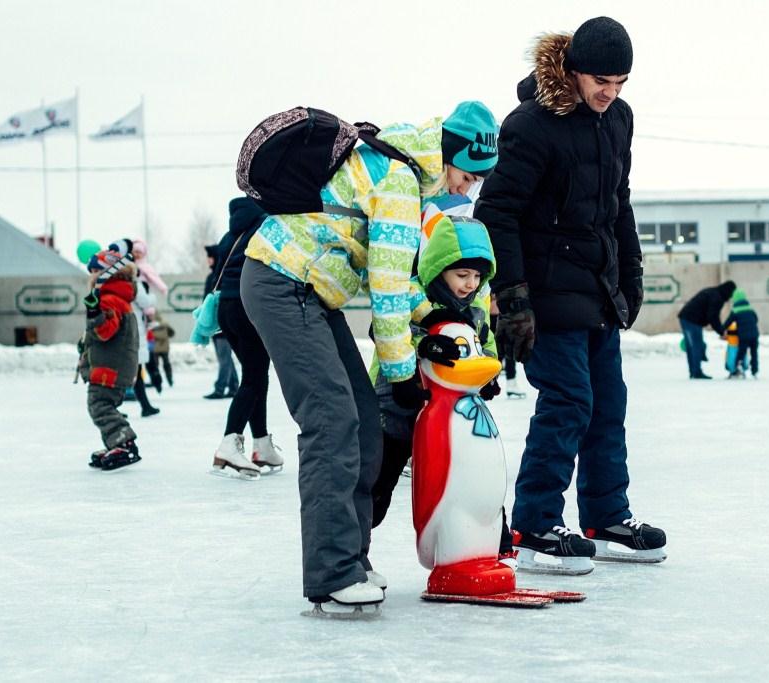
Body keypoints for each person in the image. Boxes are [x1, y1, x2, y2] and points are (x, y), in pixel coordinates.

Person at [241, 112, 487, 610]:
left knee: (365, 426)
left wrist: (432, 317)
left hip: (311, 292)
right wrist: (401, 375)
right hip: (282, 283)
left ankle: (352, 558)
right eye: (466, 176)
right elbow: (388, 288)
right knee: (332, 421)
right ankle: (332, 574)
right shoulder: (397, 184)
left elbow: (390, 280)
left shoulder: (397, 170)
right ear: (447, 159)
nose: (468, 190)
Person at [475, 16, 667, 575]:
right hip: (545, 291)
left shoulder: (619, 120)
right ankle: (535, 524)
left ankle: (606, 516)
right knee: (568, 402)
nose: (610, 93)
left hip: (596, 289)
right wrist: (512, 298)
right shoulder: (532, 125)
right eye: (601, 81)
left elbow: (618, 204)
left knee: (608, 404)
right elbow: (497, 212)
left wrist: (629, 275)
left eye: (621, 82)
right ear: (574, 70)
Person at [371, 206, 517, 566]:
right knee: (379, 481)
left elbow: (485, 344)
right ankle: (354, 551)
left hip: (453, 415)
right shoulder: (414, 294)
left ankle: (494, 546)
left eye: (476, 277)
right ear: (439, 269)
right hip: (399, 404)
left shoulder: (477, 304)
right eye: (461, 274)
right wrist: (423, 343)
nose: (469, 284)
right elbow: (384, 329)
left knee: (475, 474)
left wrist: (489, 376)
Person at [210, 197, 283, 478]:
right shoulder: (264, 226)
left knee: (255, 375)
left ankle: (262, 444)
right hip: (247, 306)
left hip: (226, 310)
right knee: (254, 377)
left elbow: (216, 273)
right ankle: (230, 441)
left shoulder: (230, 234)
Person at [79, 249, 141, 470]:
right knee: (104, 405)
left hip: (109, 368)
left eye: (95, 270)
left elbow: (105, 332)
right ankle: (115, 442)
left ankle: (123, 442)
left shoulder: (109, 299)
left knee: (99, 405)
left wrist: (94, 313)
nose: (92, 275)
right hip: (113, 365)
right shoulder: (118, 298)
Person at [678, 281, 737, 380]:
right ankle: (696, 372)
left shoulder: (713, 292)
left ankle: (694, 371)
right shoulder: (717, 298)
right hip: (692, 320)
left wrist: (720, 330)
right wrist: (721, 331)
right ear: (728, 291)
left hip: (685, 317)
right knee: (697, 345)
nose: (730, 297)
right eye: (731, 294)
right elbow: (712, 316)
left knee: (691, 346)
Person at [204, 244, 239, 400]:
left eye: (210, 257)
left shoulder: (218, 277)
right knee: (226, 357)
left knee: (223, 357)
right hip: (217, 322)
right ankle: (233, 386)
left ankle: (220, 388)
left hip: (220, 323)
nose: (208, 260)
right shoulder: (214, 276)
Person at [722, 288, 760, 378]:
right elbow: (756, 319)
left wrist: (721, 330)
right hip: (754, 335)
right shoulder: (750, 309)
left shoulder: (735, 311)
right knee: (754, 353)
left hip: (744, 336)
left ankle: (738, 368)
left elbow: (727, 323)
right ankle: (754, 371)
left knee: (741, 352)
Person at [145, 310, 174, 390]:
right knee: (166, 364)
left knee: (155, 366)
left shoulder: (149, 325)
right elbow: (172, 333)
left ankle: (155, 382)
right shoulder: (164, 323)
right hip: (164, 348)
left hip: (155, 348)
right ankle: (169, 379)